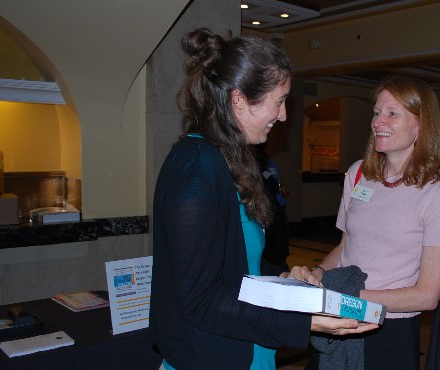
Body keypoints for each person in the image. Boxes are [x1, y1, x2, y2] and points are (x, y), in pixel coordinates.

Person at [150, 28, 377, 370]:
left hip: (247, 351)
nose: (284, 115)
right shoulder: (196, 168)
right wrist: (305, 322)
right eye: (280, 99)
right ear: (239, 100)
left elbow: (240, 267)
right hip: (211, 358)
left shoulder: (230, 160)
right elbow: (199, 301)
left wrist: (284, 282)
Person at [309, 75, 440, 370]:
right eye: (377, 113)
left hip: (388, 329)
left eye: (392, 113)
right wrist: (315, 274)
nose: (378, 121)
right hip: (339, 319)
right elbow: (345, 246)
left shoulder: (437, 192)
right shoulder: (357, 173)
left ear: (421, 125)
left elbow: (428, 295)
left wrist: (348, 299)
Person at [253, 143, 290, 276]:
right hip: (266, 208)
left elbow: (277, 182)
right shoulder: (254, 164)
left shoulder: (268, 161)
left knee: (278, 245)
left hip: (276, 207)